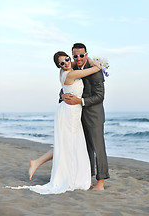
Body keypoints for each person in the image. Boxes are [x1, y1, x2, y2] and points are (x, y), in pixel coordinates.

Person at [26, 51, 101, 194]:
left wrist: (90, 59)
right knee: (67, 145)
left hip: (70, 111)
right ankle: (38, 163)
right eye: (62, 62)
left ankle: (37, 162)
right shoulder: (70, 74)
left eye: (67, 59)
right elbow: (95, 69)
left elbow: (82, 61)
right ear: (58, 66)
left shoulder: (65, 69)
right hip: (69, 114)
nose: (66, 63)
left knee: (66, 145)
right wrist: (96, 64)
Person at [61, 43, 110, 190]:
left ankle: (100, 182)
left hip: (94, 115)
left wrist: (80, 101)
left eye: (81, 55)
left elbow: (100, 96)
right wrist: (62, 96)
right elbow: (65, 86)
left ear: (86, 55)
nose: (78, 58)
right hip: (78, 115)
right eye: (75, 56)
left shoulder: (96, 71)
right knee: (85, 148)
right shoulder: (72, 69)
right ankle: (87, 179)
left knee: (98, 147)